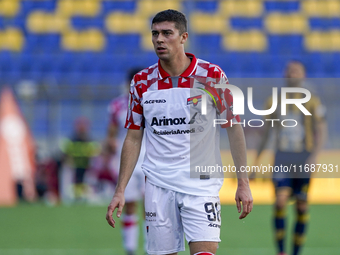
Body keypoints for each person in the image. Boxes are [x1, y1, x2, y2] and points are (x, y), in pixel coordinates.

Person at [106, 9, 253, 255]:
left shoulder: (212, 76)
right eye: (155, 34)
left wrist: (243, 182)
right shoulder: (142, 82)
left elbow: (234, 128)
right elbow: (133, 138)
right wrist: (120, 189)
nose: (159, 39)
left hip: (201, 182)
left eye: (167, 33)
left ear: (183, 37)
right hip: (158, 184)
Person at [254, 61, 327, 255]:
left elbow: (321, 129)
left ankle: (296, 251)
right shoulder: (273, 100)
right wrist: (256, 162)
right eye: (290, 71)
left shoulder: (312, 100)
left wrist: (315, 156)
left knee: (302, 205)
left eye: (297, 71)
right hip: (282, 157)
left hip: (303, 157)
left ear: (303, 75)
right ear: (285, 75)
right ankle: (281, 251)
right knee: (280, 201)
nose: (293, 74)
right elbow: (266, 133)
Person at [107, 70, 146, 255]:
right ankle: (130, 248)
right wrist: (110, 145)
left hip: (149, 159)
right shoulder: (117, 105)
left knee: (151, 206)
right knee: (129, 204)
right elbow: (112, 132)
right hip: (127, 160)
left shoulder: (152, 100)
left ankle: (150, 248)